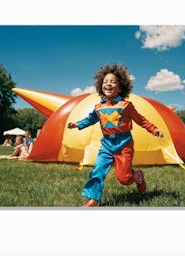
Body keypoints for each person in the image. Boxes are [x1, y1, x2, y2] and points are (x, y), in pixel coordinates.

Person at [68, 64, 164, 207]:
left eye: (113, 82)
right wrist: (77, 124)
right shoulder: (99, 107)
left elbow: (140, 119)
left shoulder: (126, 105)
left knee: (124, 178)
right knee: (97, 170)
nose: (108, 84)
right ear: (101, 86)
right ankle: (93, 199)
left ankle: (138, 176)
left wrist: (153, 129)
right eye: (105, 82)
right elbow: (90, 119)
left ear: (120, 87)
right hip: (106, 144)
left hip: (124, 144)